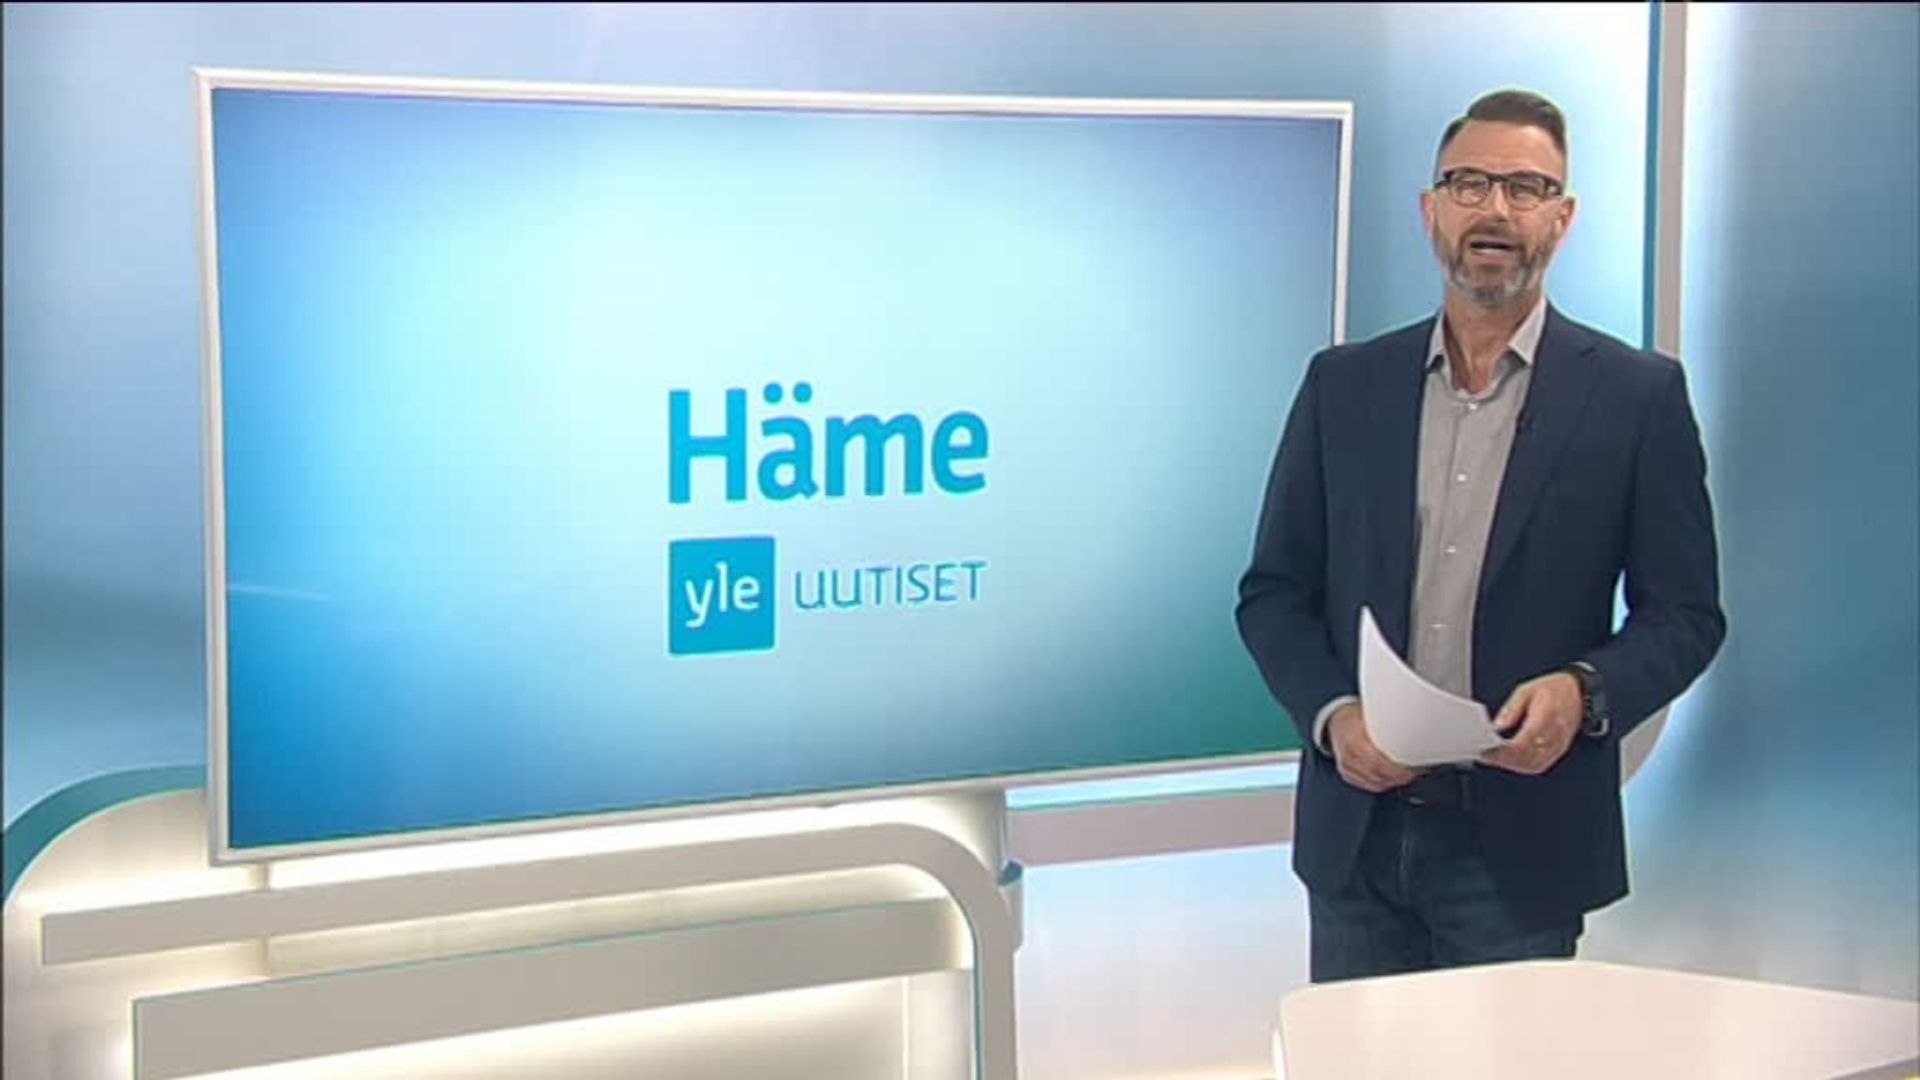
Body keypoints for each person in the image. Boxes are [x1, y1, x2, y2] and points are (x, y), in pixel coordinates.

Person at [1235, 88, 1726, 983]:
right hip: (1358, 839)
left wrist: (1586, 693)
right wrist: (1334, 717)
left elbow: (1687, 616)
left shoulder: (1637, 399)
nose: (1495, 208)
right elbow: (1274, 594)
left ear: (1562, 220)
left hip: (1519, 851)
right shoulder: (1344, 386)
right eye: (1469, 184)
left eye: (1526, 188)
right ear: (1431, 211)